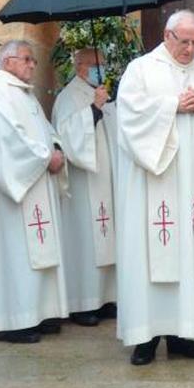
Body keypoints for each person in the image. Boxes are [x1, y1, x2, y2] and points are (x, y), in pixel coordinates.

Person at [115, 10, 194, 365]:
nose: (191, 49)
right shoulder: (141, 70)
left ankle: (184, 335)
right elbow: (129, 116)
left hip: (192, 181)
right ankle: (145, 338)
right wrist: (172, 105)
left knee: (189, 256)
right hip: (155, 180)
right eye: (185, 42)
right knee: (149, 256)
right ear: (167, 36)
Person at [0, 40, 69, 343]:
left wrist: (57, 147)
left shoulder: (25, 95)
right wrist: (46, 157)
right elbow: (9, 143)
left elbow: (45, 131)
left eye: (33, 60)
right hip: (11, 194)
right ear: (7, 61)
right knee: (14, 252)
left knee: (36, 246)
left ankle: (41, 312)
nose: (32, 65)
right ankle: (13, 319)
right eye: (27, 59)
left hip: (36, 183)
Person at [52, 47, 117, 327]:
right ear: (80, 66)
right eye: (95, 64)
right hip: (82, 184)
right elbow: (67, 138)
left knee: (106, 240)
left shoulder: (102, 93)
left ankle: (104, 299)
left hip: (105, 179)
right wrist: (95, 109)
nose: (100, 69)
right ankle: (82, 303)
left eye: (102, 64)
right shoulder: (69, 97)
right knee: (85, 242)